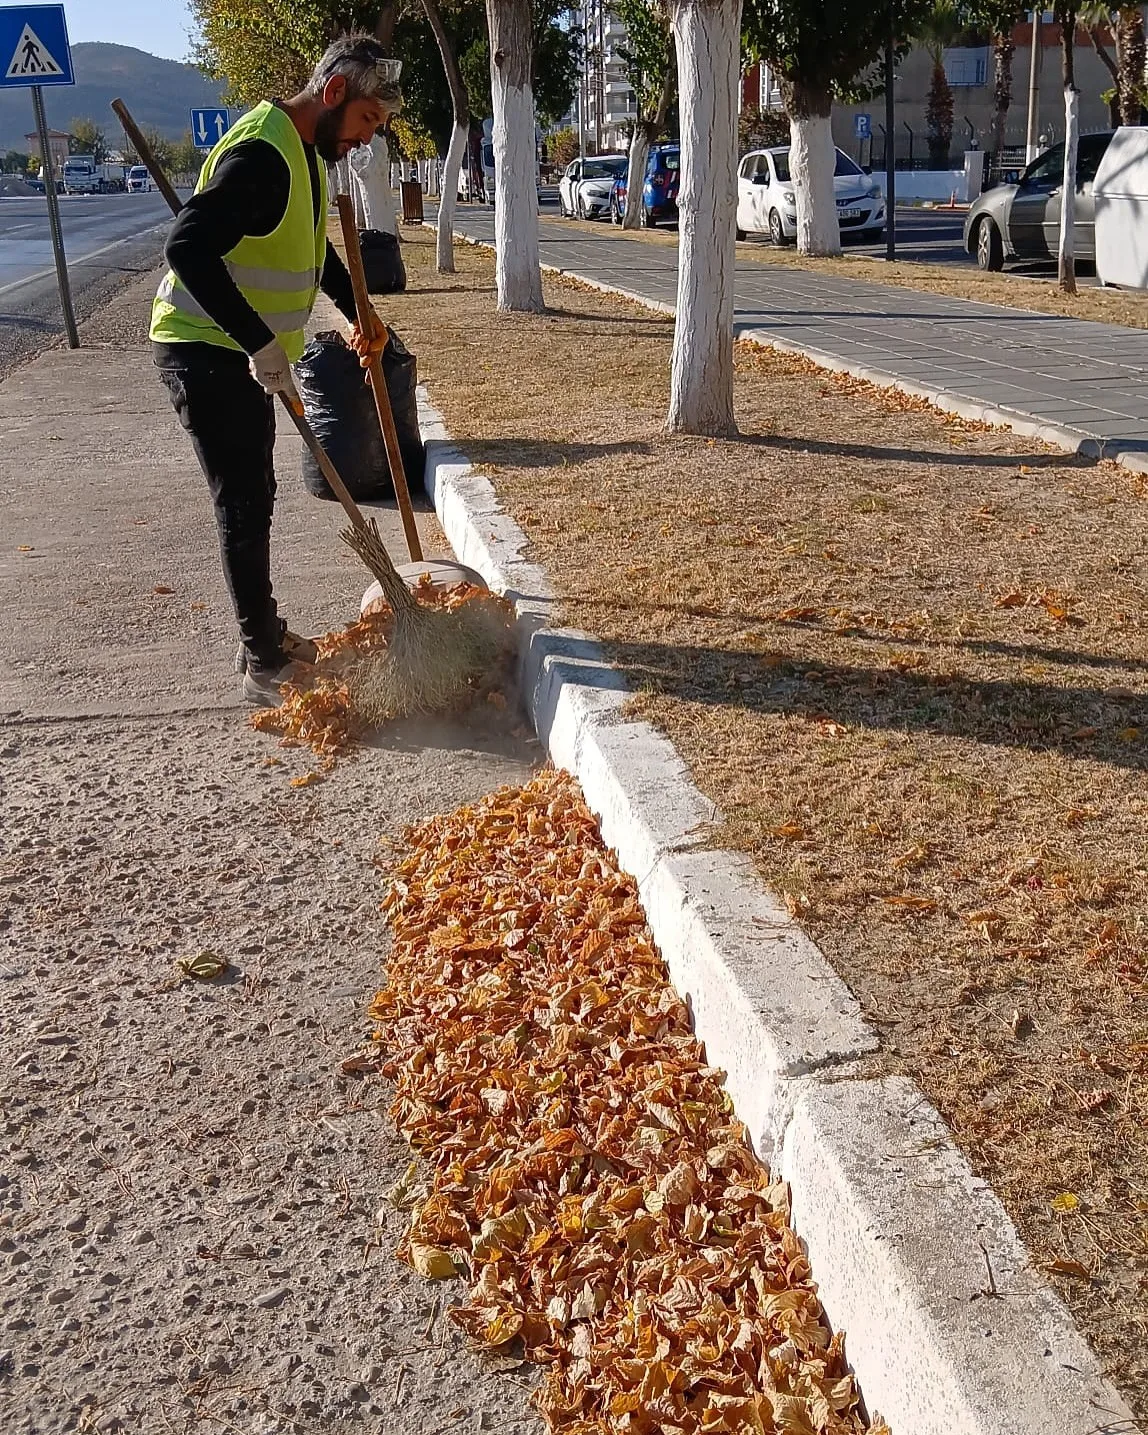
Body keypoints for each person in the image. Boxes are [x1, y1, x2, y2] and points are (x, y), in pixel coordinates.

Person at [150, 35, 402, 705]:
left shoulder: (306, 154)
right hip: (203, 347)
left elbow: (310, 249)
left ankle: (263, 631)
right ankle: (262, 661)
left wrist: (361, 315)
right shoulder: (263, 154)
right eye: (366, 122)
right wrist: (259, 343)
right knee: (242, 500)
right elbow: (187, 246)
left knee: (255, 492)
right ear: (334, 95)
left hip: (235, 351)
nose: (365, 140)